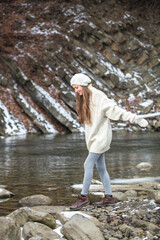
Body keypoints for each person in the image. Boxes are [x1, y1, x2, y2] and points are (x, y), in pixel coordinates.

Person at [69, 73, 148, 210]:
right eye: (74, 88)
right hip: (94, 139)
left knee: (88, 164)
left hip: (101, 139)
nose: (76, 91)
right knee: (101, 168)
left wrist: (135, 119)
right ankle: (109, 197)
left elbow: (116, 110)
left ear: (83, 85)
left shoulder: (99, 96)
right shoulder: (85, 99)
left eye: (77, 88)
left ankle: (83, 198)